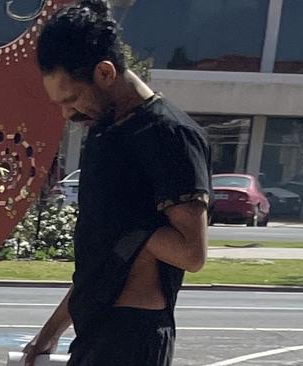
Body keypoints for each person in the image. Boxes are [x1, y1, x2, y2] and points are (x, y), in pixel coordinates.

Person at [23, 1, 212, 365]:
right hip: (95, 328)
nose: (68, 113)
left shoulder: (171, 135)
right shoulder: (104, 134)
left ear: (106, 73)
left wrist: (128, 226)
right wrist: (47, 335)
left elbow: (192, 253)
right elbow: (102, 257)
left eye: (72, 98)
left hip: (134, 335)